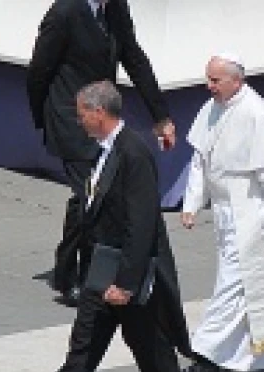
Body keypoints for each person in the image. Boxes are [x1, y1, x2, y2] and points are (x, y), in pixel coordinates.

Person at [8, 81, 191, 372]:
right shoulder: (105, 151)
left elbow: (143, 225)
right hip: (101, 268)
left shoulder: (133, 153)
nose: (79, 122)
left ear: (99, 113)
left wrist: (125, 283)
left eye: (82, 115)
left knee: (150, 347)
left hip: (128, 272)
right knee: (84, 345)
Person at [27, 0, 176, 304]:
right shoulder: (64, 12)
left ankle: (67, 269)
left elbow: (132, 56)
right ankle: (78, 279)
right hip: (72, 118)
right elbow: (39, 71)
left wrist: (160, 116)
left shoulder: (115, 7)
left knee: (87, 199)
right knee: (91, 198)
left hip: (102, 121)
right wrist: (47, 120)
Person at [179, 53, 264, 372]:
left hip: (253, 215)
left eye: (215, 80)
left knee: (235, 285)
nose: (209, 86)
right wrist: (192, 203)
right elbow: (201, 160)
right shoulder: (213, 107)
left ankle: (206, 353)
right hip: (227, 213)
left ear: (236, 80)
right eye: (208, 79)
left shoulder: (256, 113)